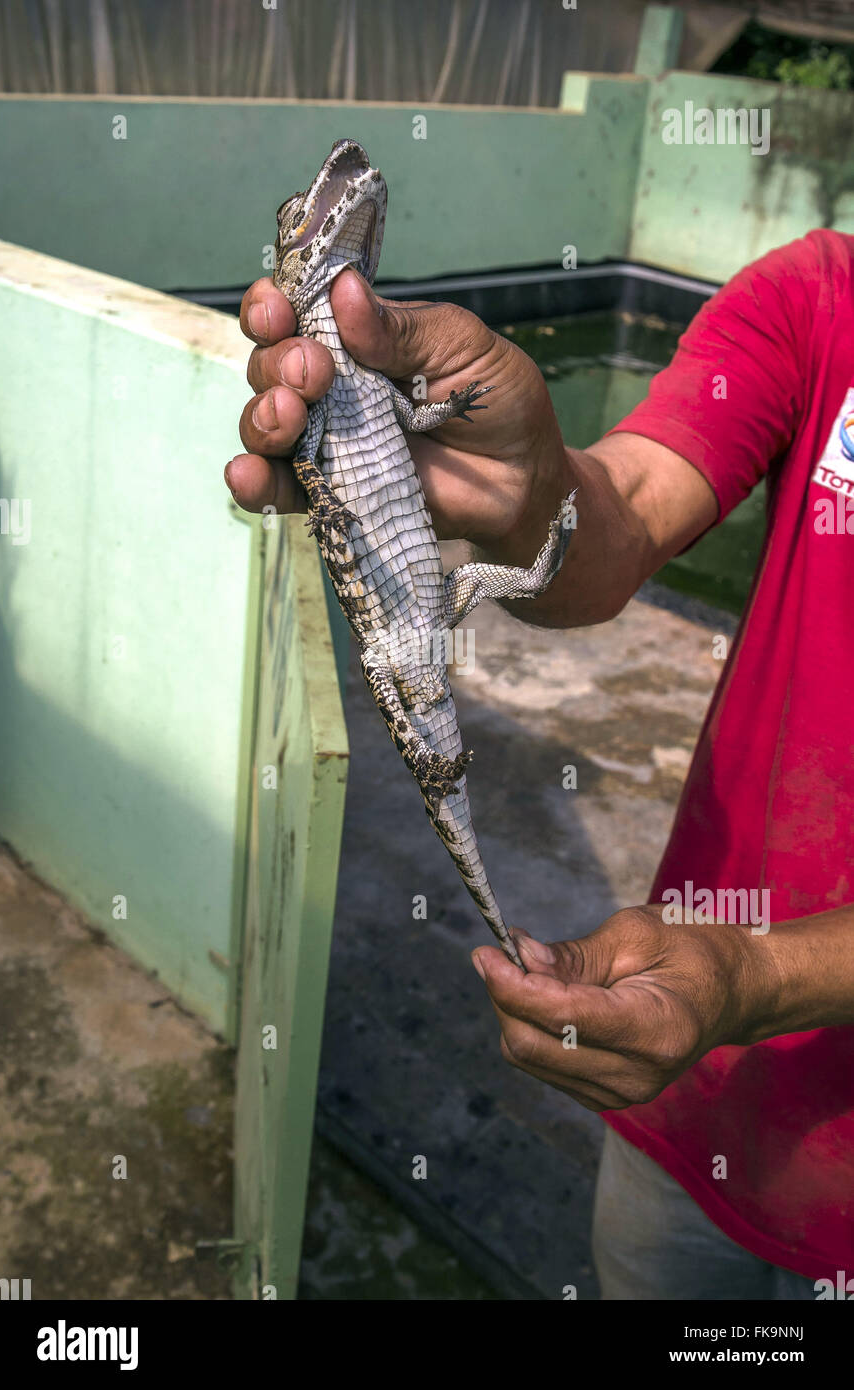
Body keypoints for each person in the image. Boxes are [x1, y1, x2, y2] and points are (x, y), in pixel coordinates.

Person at [227, 230, 854, 1300]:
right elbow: (624, 513)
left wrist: (754, 977)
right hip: (686, 1110)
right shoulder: (821, 296)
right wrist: (530, 492)